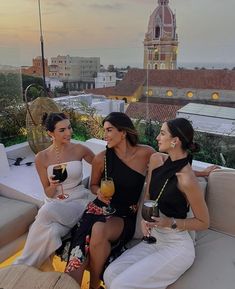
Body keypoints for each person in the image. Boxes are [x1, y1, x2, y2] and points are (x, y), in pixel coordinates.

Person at [103, 117, 210, 289]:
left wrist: (169, 222)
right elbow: (149, 195)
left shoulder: (187, 179)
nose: (157, 138)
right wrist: (145, 219)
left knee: (120, 285)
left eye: (162, 134)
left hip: (176, 246)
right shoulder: (156, 160)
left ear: (175, 141)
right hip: (154, 238)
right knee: (110, 274)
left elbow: (204, 222)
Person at [59, 112, 155, 288]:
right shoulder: (101, 158)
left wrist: (201, 173)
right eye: (104, 130)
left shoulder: (146, 153)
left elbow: (167, 167)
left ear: (123, 132)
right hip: (97, 209)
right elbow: (93, 185)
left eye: (109, 130)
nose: (105, 135)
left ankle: (94, 284)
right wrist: (99, 193)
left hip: (124, 215)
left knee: (99, 230)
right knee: (78, 251)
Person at [14, 112, 95, 269]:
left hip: (78, 201)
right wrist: (52, 186)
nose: (69, 132)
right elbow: (48, 192)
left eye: (69, 128)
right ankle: (25, 269)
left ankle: (20, 266)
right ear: (50, 133)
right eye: (62, 130)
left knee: (46, 211)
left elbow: (101, 165)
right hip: (56, 202)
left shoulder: (80, 149)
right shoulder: (41, 157)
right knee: (51, 233)